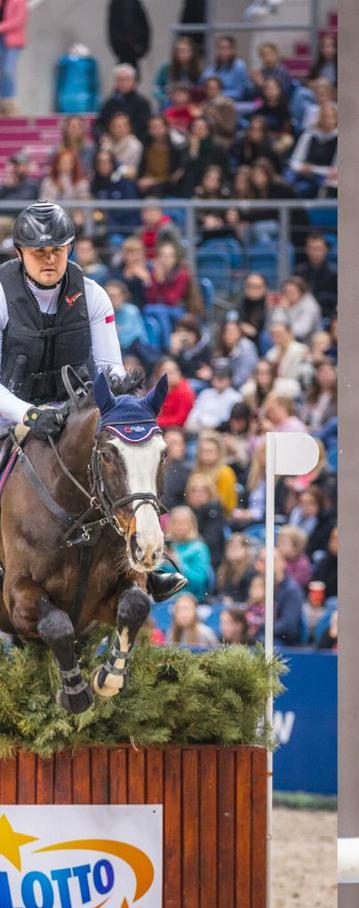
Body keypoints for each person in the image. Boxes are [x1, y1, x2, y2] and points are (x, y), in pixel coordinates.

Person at [0, 203, 184, 599]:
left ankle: (147, 569)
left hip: (74, 413)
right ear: (20, 253)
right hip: (9, 412)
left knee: (122, 466)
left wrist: (128, 411)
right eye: (39, 252)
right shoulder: (0, 295)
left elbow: (110, 369)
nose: (50, 260)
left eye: (58, 250)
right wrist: (28, 414)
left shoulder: (93, 294)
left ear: (70, 249)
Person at [0, 0, 27, 117]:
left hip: (12, 40)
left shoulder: (20, 1)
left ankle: (8, 104)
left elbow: (19, 20)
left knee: (8, 70)